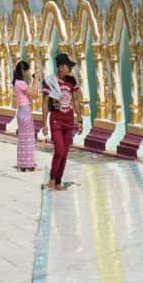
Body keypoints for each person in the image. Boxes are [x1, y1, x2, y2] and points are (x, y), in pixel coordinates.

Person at [41, 53, 81, 191]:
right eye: (68, 66)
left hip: (68, 120)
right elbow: (45, 102)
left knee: (65, 152)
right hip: (56, 119)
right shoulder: (49, 81)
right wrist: (44, 124)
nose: (70, 69)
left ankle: (58, 181)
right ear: (61, 66)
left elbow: (75, 100)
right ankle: (52, 178)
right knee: (59, 150)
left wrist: (79, 119)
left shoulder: (72, 81)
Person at [13, 61, 37, 172]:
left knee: (23, 138)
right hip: (26, 111)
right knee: (29, 138)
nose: (28, 73)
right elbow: (35, 95)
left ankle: (22, 164)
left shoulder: (16, 82)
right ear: (23, 71)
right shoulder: (21, 83)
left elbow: (30, 93)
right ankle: (29, 165)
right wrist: (36, 80)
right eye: (27, 70)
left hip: (21, 112)